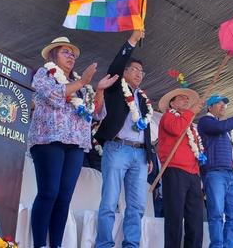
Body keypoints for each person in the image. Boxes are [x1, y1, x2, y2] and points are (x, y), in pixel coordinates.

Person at [27, 36, 117, 247]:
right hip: (48, 140)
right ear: (53, 55)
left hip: (76, 144)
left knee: (64, 196)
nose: (71, 57)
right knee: (49, 192)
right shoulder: (44, 74)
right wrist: (83, 82)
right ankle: (39, 244)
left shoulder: (82, 86)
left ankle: (56, 244)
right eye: (66, 52)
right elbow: (52, 96)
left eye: (73, 54)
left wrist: (100, 89)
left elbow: (95, 113)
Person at [94, 30, 155, 248]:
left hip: (139, 154)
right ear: (126, 72)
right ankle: (104, 244)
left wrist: (149, 156)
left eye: (142, 72)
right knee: (110, 202)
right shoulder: (116, 89)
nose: (140, 74)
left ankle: (131, 245)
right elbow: (116, 65)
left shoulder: (144, 99)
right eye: (136, 70)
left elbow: (146, 129)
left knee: (137, 206)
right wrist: (132, 41)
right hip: (117, 148)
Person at [197, 94, 233, 248]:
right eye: (218, 103)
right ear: (209, 107)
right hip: (214, 173)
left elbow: (232, 154)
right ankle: (216, 246)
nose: (223, 106)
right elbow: (219, 127)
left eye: (225, 104)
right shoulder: (205, 121)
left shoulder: (225, 127)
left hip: (231, 174)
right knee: (216, 213)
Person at [157, 87, 204, 248]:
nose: (186, 101)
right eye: (182, 98)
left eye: (187, 99)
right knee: (175, 216)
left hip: (193, 173)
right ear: (172, 103)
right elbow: (176, 129)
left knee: (196, 218)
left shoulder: (190, 124)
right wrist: (191, 112)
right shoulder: (168, 116)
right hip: (174, 169)